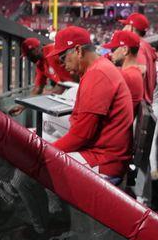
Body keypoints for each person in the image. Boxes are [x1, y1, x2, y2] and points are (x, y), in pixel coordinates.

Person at [48, 25, 134, 180]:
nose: (62, 65)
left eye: (62, 58)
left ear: (78, 51)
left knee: (38, 164)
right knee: (41, 132)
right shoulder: (98, 67)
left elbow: (82, 135)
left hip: (104, 160)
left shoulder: (98, 74)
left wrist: (45, 152)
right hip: (104, 149)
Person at [118, 13, 158, 181]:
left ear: (131, 27)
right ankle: (143, 198)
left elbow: (141, 69)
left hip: (141, 105)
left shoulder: (140, 46)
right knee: (142, 156)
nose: (122, 28)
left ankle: (142, 201)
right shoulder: (145, 45)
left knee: (140, 157)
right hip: (146, 104)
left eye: (125, 25)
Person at [105, 29, 145, 112]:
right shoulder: (133, 72)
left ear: (125, 50)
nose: (111, 53)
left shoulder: (126, 76)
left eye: (113, 50)